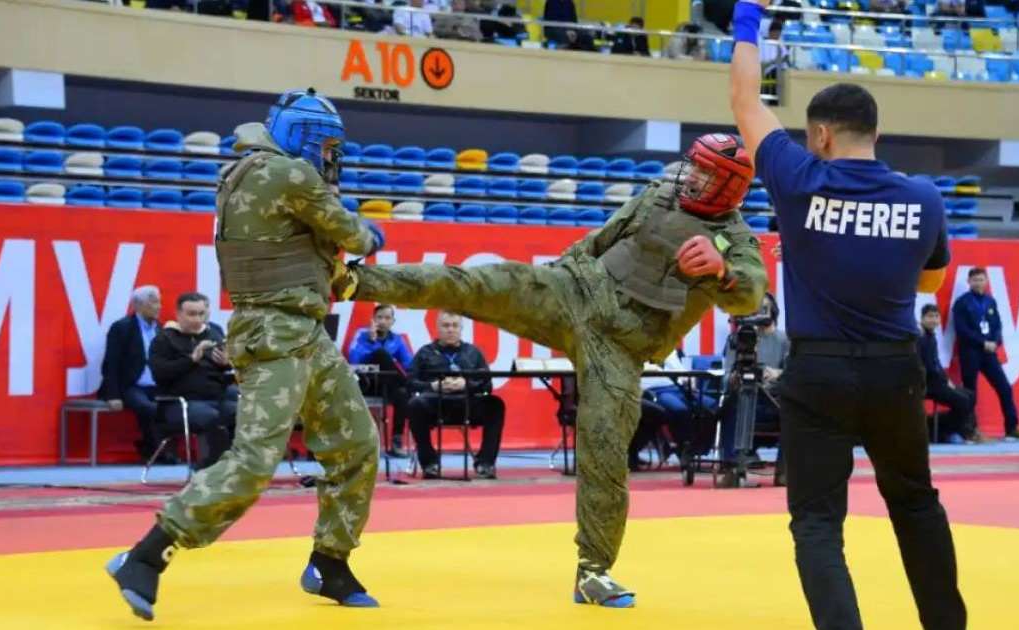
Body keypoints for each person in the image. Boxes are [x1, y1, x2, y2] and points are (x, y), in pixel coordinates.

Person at [334, 132, 767, 608]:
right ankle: (355, 281)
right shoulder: (660, 193)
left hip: (620, 346)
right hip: (573, 292)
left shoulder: (735, 238)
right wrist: (559, 276)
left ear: (728, 187)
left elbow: (749, 292)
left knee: (604, 449)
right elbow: (601, 239)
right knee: (476, 282)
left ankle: (593, 572)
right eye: (693, 165)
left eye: (705, 172)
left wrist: (722, 270)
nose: (691, 175)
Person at [106, 88, 387, 620]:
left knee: (355, 442)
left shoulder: (244, 173)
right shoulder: (290, 174)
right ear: (304, 138)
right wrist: (371, 235)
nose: (332, 157)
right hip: (276, 331)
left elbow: (300, 247)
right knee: (255, 459)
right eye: (327, 145)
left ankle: (330, 562)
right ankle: (146, 555)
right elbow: (354, 232)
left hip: (300, 329)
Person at [729, 2, 967, 628]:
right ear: (875, 135)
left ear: (822, 137)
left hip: (821, 373)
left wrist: (748, 20)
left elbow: (746, 103)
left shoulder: (800, 178)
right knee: (916, 505)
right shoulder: (923, 196)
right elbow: (931, 277)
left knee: (816, 523)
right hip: (896, 372)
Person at [406, 311, 505, 479]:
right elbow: (409, 382)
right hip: (436, 404)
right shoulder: (424, 353)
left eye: (454, 326)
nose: (450, 330)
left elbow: (487, 384)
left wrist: (468, 385)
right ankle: (430, 463)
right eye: (445, 326)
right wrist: (433, 385)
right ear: (437, 328)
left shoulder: (473, 352)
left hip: (467, 404)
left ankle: (485, 463)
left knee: (495, 404)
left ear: (461, 329)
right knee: (415, 404)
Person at [148, 293, 238, 470]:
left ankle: (238, 468)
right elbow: (160, 374)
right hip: (178, 403)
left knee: (244, 412)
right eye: (191, 314)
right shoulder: (164, 339)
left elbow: (228, 372)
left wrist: (226, 363)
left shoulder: (214, 332)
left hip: (216, 396)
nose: (197, 319)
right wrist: (191, 359)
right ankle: (210, 468)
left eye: (201, 314)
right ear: (178, 314)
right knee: (210, 416)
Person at [717, 291, 787, 484]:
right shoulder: (737, 339)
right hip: (743, 397)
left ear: (772, 311)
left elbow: (795, 373)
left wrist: (777, 373)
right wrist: (734, 377)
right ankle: (732, 466)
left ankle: (785, 470)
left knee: (793, 408)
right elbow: (725, 377)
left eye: (762, 308)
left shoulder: (784, 340)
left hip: (773, 399)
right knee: (730, 404)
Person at [953, 267, 1019, 439]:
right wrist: (982, 342)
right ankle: (971, 430)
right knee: (970, 391)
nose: (978, 283)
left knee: (1004, 387)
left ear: (987, 281)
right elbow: (962, 330)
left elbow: (997, 325)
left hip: (989, 352)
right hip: (970, 352)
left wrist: (995, 342)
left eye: (981, 279)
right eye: (975, 280)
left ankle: (1012, 428)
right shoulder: (962, 303)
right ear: (969, 282)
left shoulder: (990, 301)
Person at [99, 286, 165, 462]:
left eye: (159, 302)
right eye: (152, 302)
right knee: (147, 408)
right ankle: (156, 452)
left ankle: (155, 449)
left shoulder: (161, 328)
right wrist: (112, 395)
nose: (158, 307)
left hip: (156, 385)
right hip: (130, 385)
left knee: (172, 408)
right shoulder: (122, 328)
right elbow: (111, 363)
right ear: (136, 305)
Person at [347, 304, 413, 457]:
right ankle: (410, 386)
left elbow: (409, 364)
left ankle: (396, 442)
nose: (383, 321)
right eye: (380, 317)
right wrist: (371, 342)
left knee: (403, 394)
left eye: (387, 318)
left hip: (388, 385)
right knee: (381, 354)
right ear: (373, 320)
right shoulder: (362, 335)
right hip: (367, 384)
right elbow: (354, 359)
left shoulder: (397, 339)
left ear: (392, 321)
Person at [918, 304, 979, 444]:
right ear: (922, 319)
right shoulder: (920, 337)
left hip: (938, 381)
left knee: (970, 395)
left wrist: (947, 380)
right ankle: (947, 432)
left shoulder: (931, 336)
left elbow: (936, 363)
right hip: (927, 384)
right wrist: (945, 381)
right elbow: (930, 367)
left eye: (936, 316)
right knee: (963, 402)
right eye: (929, 316)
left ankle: (955, 431)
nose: (933, 320)